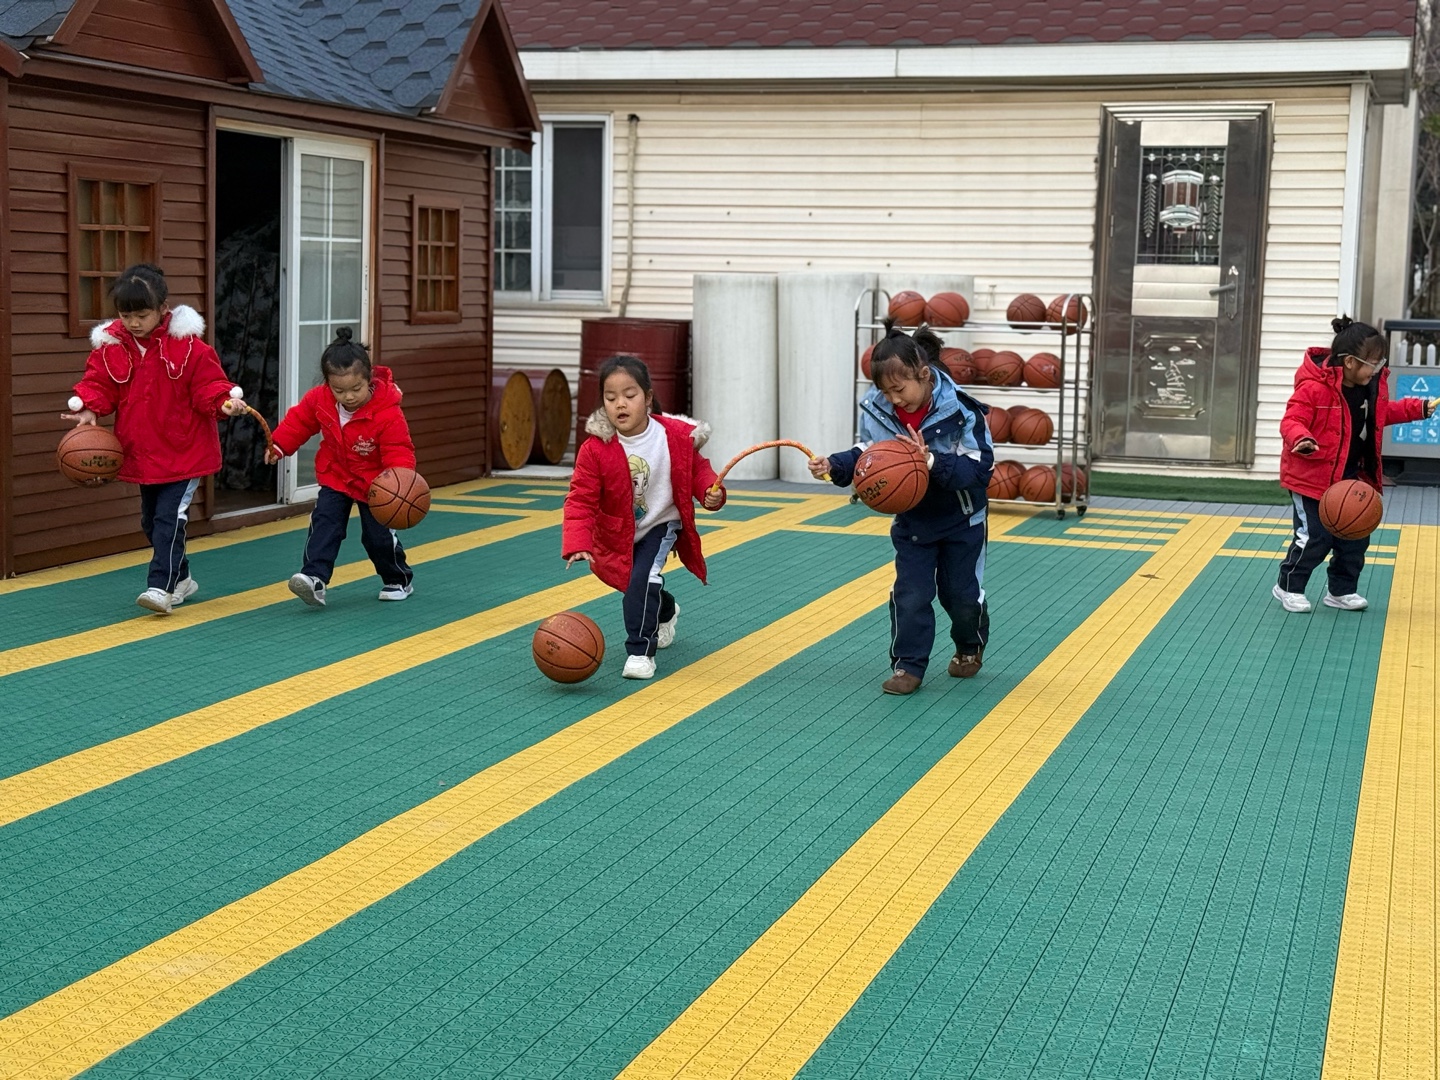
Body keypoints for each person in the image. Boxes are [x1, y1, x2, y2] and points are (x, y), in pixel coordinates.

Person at [810, 320, 994, 694]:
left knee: (960, 597)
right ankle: (908, 666)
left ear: (923, 375)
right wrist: (835, 465)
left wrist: (931, 462)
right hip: (913, 522)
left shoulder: (961, 410)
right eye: (885, 392)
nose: (894, 399)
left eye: (899, 389)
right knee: (910, 595)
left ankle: (969, 644)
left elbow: (981, 467)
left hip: (962, 520)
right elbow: (869, 453)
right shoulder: (878, 410)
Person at [63, 264, 245, 614]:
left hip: (185, 451)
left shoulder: (191, 347)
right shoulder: (110, 347)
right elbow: (99, 384)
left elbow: (209, 385)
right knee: (151, 521)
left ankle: (161, 586)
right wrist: (88, 408)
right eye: (126, 315)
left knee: (168, 520)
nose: (133, 323)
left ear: (163, 308)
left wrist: (224, 402)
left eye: (142, 315)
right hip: (143, 452)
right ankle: (183, 578)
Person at [562, 354, 726, 680]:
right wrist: (577, 542)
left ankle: (640, 652)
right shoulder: (596, 448)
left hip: (661, 522)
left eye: (629, 394)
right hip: (617, 531)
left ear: (648, 397)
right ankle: (665, 609)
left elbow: (697, 471)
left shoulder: (673, 436)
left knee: (642, 579)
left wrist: (712, 492)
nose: (620, 404)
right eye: (610, 397)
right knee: (635, 583)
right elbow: (580, 498)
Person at [1274, 316, 1435, 613]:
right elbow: (1292, 420)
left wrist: (1418, 408)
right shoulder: (1313, 388)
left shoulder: (1368, 388)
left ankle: (1341, 591)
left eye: (1380, 362)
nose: (1377, 369)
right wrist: (1302, 438)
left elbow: (1383, 413)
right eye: (1373, 363)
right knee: (1314, 537)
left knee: (1355, 535)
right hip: (1311, 479)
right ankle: (1289, 586)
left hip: (1349, 478)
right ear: (1349, 362)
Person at [266, 328, 416, 608]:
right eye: (339, 390)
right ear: (328, 384)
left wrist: (399, 483)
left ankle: (398, 578)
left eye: (356, 389)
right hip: (337, 476)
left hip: (377, 485)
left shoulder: (387, 412)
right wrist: (279, 446)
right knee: (325, 524)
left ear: (369, 379)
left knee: (377, 537)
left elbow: (399, 450)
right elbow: (299, 422)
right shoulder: (319, 399)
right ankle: (315, 579)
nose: (348, 396)